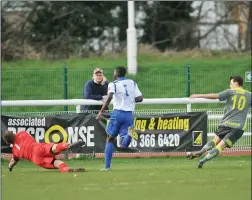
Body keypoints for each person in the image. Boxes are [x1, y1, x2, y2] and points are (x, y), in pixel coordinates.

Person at [187, 76, 251, 168]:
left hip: (226, 123)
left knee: (215, 140)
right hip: (238, 128)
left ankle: (200, 152)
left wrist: (198, 95)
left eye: (231, 83)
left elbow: (215, 96)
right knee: (221, 146)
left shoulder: (230, 92)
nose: (230, 85)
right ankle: (202, 161)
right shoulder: (249, 95)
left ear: (236, 83)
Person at [96, 66, 143, 171]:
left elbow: (110, 97)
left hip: (117, 114)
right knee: (123, 143)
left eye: (114, 73)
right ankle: (129, 135)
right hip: (129, 115)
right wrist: (129, 98)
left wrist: (101, 112)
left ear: (116, 74)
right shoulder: (132, 82)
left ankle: (107, 167)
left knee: (110, 139)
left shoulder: (113, 84)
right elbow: (140, 98)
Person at [2, 130, 86, 173]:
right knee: (54, 147)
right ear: (13, 133)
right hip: (36, 147)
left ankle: (66, 169)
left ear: (7, 142)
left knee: (56, 163)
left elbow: (13, 161)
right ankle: (67, 145)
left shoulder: (15, 151)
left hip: (35, 159)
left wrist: (10, 167)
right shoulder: (22, 133)